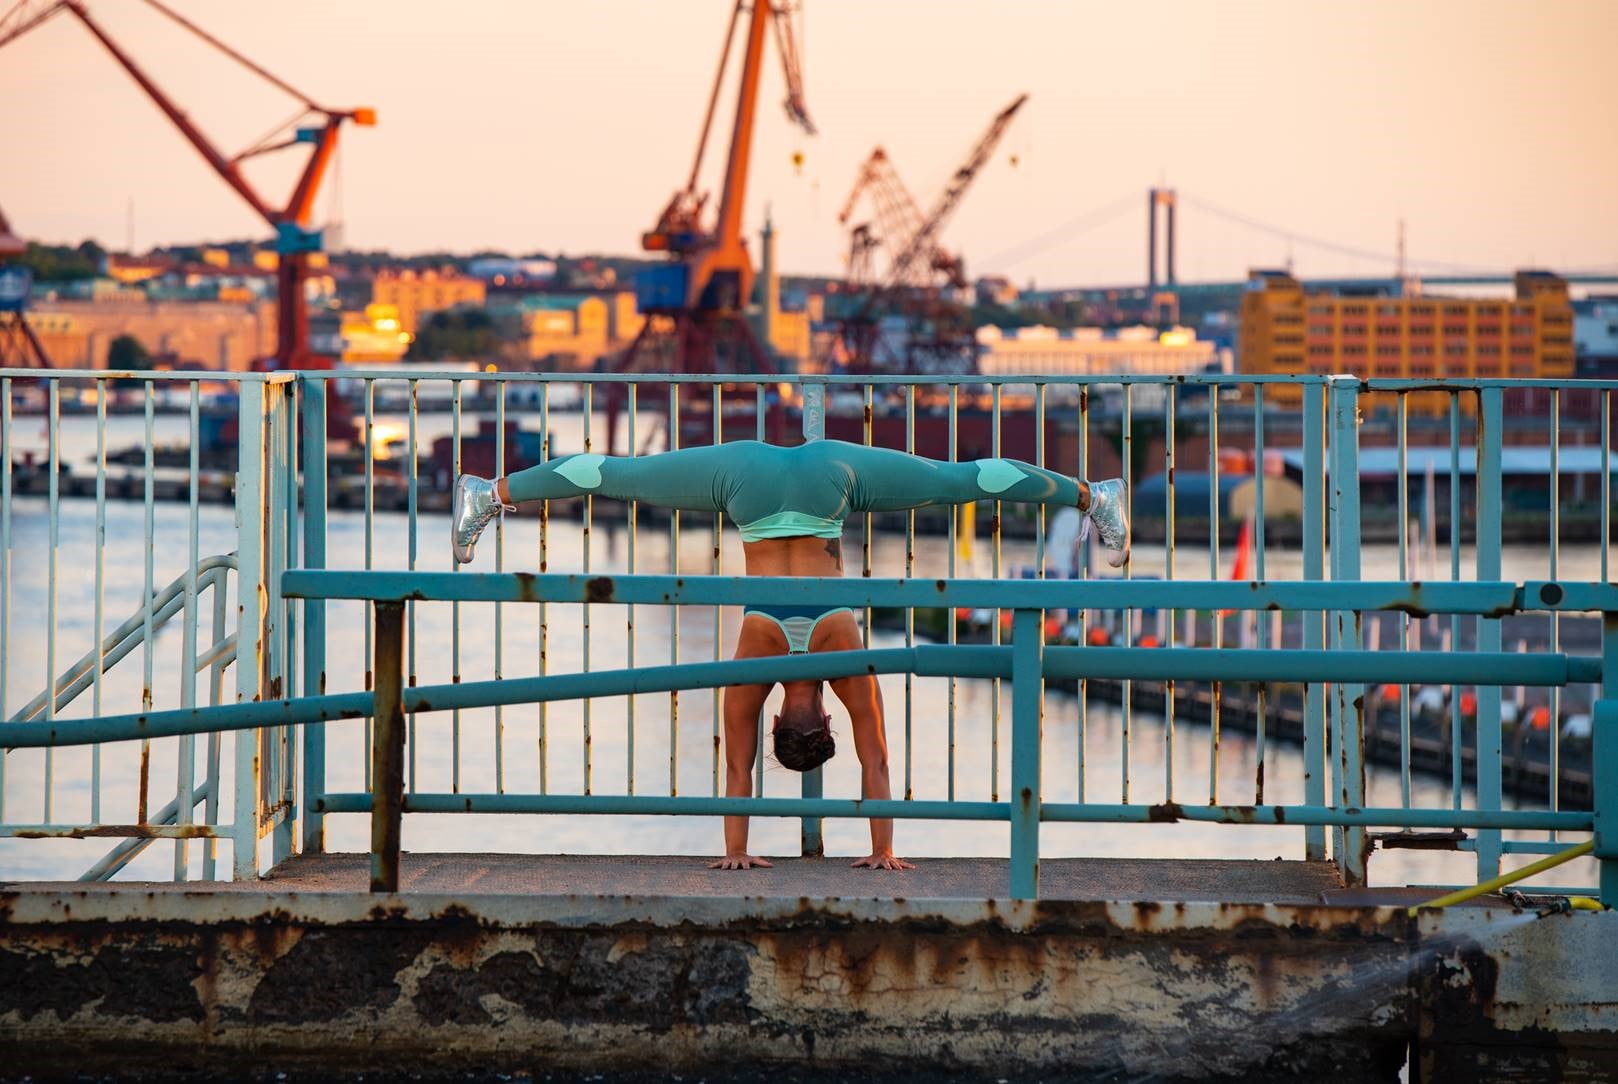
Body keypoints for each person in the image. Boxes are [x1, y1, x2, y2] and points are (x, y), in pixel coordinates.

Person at [451, 439, 1129, 871]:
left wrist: (884, 850)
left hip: (825, 482)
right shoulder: (755, 663)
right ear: (781, 721)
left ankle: (1094, 497)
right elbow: (739, 769)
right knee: (617, 476)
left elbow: (877, 757)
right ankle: (488, 494)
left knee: (959, 480)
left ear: (822, 722)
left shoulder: (841, 651)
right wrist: (736, 853)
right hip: (746, 483)